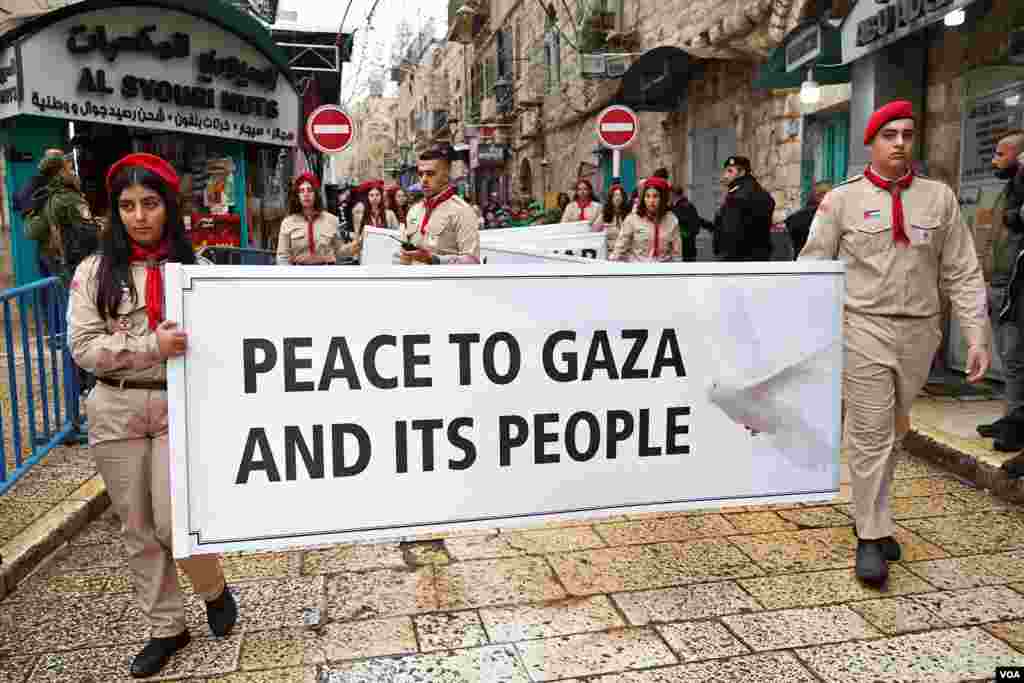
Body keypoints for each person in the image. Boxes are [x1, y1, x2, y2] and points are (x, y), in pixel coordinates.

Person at [799, 101, 991, 587]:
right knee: (869, 430)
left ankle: (871, 512)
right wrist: (806, 333)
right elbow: (813, 268)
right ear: (872, 141)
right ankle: (870, 534)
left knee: (896, 428)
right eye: (890, 135)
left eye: (907, 133)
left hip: (920, 332)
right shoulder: (841, 201)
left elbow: (962, 271)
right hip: (862, 327)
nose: (900, 143)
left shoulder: (939, 199)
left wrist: (975, 333)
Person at [68, 153, 238, 678]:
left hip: (176, 403)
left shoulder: (195, 272)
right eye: (126, 206)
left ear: (168, 207)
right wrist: (150, 345)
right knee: (136, 527)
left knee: (173, 520)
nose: (139, 216)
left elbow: (225, 343)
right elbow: (82, 346)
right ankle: (166, 628)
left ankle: (212, 588)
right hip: (114, 406)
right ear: (115, 212)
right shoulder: (94, 272)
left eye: (149, 204)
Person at [979, 131, 1024, 458]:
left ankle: (1015, 424)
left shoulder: (1019, 190)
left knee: (1014, 359)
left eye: (1001, 154)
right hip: (997, 283)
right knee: (1008, 359)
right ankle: (1010, 416)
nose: (995, 160)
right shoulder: (1007, 191)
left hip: (1013, 288)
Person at [24, 148, 100, 286]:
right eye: (70, 169)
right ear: (61, 172)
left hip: (60, 263)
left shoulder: (50, 196)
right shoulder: (69, 198)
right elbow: (89, 233)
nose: (73, 173)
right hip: (78, 267)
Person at [396, 145, 480, 264]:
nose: (423, 179)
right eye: (420, 174)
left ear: (446, 175)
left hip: (444, 282)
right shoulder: (414, 210)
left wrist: (434, 259)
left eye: (430, 174)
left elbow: (473, 261)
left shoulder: (462, 211)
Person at [716, 156, 776, 261]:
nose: (725, 176)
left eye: (730, 171)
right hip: (757, 253)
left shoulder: (740, 195)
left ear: (742, 172)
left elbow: (733, 229)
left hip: (741, 256)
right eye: (725, 171)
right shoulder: (754, 190)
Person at [275, 173, 344, 265]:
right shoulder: (287, 223)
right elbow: (282, 257)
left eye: (310, 190)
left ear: (316, 194)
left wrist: (356, 244)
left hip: (326, 274)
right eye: (301, 191)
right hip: (298, 275)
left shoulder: (332, 220)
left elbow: (340, 252)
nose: (306, 194)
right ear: (297, 196)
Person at [612, 176, 681, 262]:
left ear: (663, 198)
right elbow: (619, 249)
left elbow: (677, 254)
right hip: (638, 271)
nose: (651, 201)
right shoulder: (632, 219)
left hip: (663, 271)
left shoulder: (672, 220)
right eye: (647, 196)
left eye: (655, 196)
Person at [786, 181, 833, 259]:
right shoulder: (829, 217)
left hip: (801, 262)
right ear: (821, 196)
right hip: (825, 264)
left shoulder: (794, 217)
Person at [669, 185, 703, 262]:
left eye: (669, 194)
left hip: (684, 247)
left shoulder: (681, 207)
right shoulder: (685, 205)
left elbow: (689, 224)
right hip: (687, 246)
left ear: (673, 194)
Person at [597, 183, 630, 259]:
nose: (617, 198)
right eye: (615, 195)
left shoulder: (629, 215)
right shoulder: (604, 215)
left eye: (620, 195)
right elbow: (594, 231)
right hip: (609, 253)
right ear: (610, 198)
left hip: (626, 253)